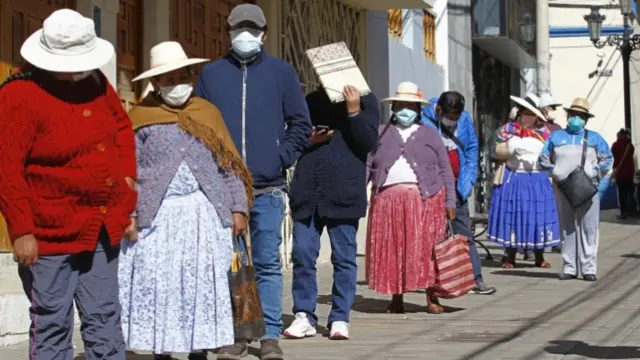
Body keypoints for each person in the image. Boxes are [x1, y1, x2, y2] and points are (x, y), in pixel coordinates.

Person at [0, 9, 136, 360]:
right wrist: (22, 231)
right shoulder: (19, 95)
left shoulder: (95, 83)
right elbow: (7, 169)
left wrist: (125, 195)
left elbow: (122, 133)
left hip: (102, 227)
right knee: (52, 323)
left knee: (105, 318)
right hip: (48, 234)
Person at [118, 42, 252, 360]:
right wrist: (129, 213)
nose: (177, 83)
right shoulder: (140, 116)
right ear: (156, 82)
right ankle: (162, 349)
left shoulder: (207, 113)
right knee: (161, 285)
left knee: (201, 283)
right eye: (169, 78)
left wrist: (238, 207)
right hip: (157, 217)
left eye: (182, 75)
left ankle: (200, 348)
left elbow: (228, 163)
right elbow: (126, 168)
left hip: (205, 214)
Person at [195, 4, 312, 359]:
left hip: (268, 187)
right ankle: (238, 334)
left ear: (263, 34)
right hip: (222, 187)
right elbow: (198, 127)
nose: (245, 34)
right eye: (238, 28)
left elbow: (300, 124)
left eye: (252, 28)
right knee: (230, 263)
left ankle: (270, 336)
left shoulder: (282, 73)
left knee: (266, 262)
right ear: (228, 32)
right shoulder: (211, 75)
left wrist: (280, 156)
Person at [282, 83, 379, 340]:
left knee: (344, 258)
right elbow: (292, 140)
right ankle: (304, 314)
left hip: (343, 192)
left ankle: (340, 316)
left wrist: (353, 110)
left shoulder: (367, 101)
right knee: (302, 253)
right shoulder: (310, 100)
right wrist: (308, 140)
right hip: (308, 191)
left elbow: (367, 142)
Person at [362, 82, 455, 314]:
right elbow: (367, 164)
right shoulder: (381, 133)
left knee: (427, 250)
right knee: (396, 249)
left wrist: (450, 201)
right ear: (393, 108)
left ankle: (431, 296)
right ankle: (396, 297)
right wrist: (358, 194)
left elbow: (445, 169)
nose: (405, 110)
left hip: (427, 200)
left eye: (410, 105)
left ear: (418, 108)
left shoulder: (430, 135)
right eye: (401, 105)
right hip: (387, 201)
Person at [422, 91, 497, 295]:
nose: (453, 121)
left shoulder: (464, 120)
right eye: (449, 117)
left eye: (456, 117)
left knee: (464, 235)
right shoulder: (423, 120)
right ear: (439, 110)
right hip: (432, 188)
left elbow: (472, 148)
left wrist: (468, 180)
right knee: (431, 236)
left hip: (457, 188)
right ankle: (431, 280)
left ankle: (475, 279)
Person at [539, 97, 613, 282]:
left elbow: (608, 159)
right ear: (568, 115)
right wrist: (554, 172)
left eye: (580, 116)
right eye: (573, 115)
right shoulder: (555, 137)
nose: (576, 118)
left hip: (587, 188)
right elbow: (542, 158)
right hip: (562, 188)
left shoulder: (594, 138)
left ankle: (589, 268)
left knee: (589, 228)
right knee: (567, 228)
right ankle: (569, 267)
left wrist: (594, 172)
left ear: (586, 119)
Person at [488, 94, 560, 268]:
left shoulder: (545, 134)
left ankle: (539, 256)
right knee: (513, 216)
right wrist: (510, 151)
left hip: (537, 180)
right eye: (525, 113)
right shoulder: (506, 131)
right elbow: (495, 150)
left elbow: (552, 154)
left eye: (531, 114)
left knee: (537, 218)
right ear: (519, 114)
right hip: (514, 178)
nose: (528, 117)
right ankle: (510, 256)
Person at [611, 128, 636, 219]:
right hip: (629, 172)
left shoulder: (615, 145)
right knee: (631, 192)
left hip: (620, 173)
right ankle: (634, 211)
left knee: (622, 194)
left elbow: (613, 155)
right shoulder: (630, 145)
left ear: (619, 135)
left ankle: (623, 213)